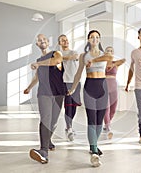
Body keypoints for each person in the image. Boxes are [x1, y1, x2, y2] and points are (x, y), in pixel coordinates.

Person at [67, 30, 112, 167]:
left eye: (97, 37)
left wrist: (95, 60)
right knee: (91, 120)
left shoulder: (106, 55)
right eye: (92, 37)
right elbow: (78, 73)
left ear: (99, 39)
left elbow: (111, 61)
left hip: (103, 88)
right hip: (90, 87)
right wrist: (73, 88)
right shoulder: (83, 56)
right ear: (88, 40)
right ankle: (93, 150)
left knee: (99, 120)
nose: (94, 39)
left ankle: (94, 144)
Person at [24, 34, 66, 164]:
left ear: (48, 42)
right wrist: (29, 88)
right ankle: (43, 151)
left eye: (44, 40)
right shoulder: (39, 60)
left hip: (58, 93)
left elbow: (56, 62)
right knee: (46, 119)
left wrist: (38, 63)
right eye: (39, 40)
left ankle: (48, 142)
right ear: (37, 44)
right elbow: (37, 76)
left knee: (53, 122)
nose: (42, 41)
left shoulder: (56, 53)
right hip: (44, 93)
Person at [58, 34, 81, 141]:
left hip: (76, 82)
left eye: (66, 40)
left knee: (74, 106)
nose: (65, 42)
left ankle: (69, 126)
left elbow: (76, 57)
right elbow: (57, 60)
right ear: (59, 43)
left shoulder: (73, 52)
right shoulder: (58, 53)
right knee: (68, 106)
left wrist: (63, 58)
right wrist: (63, 58)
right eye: (63, 40)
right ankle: (69, 127)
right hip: (66, 82)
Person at [103, 46, 125, 139]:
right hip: (104, 87)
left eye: (111, 51)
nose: (109, 52)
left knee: (113, 109)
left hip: (114, 86)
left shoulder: (116, 64)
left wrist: (113, 62)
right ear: (105, 53)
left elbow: (124, 60)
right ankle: (108, 128)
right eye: (107, 51)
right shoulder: (102, 63)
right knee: (106, 108)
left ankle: (107, 123)